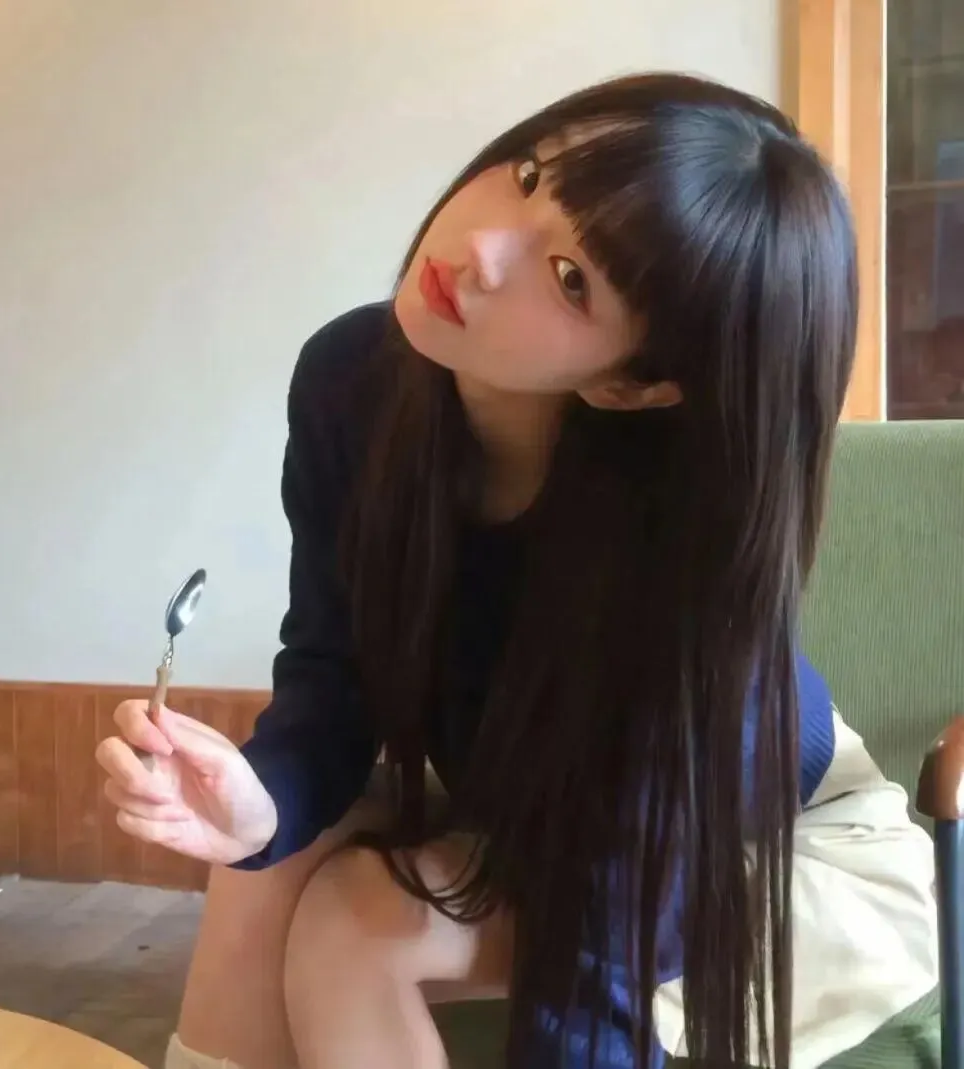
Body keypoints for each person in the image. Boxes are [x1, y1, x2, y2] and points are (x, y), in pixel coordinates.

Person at [96, 72, 938, 1069]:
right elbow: (333, 670)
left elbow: (600, 960)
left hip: (760, 839)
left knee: (353, 925)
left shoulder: (675, 545)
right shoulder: (352, 379)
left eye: (572, 278)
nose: (482, 250)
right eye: (532, 173)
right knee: (262, 858)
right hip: (534, 801)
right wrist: (259, 801)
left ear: (635, 384)